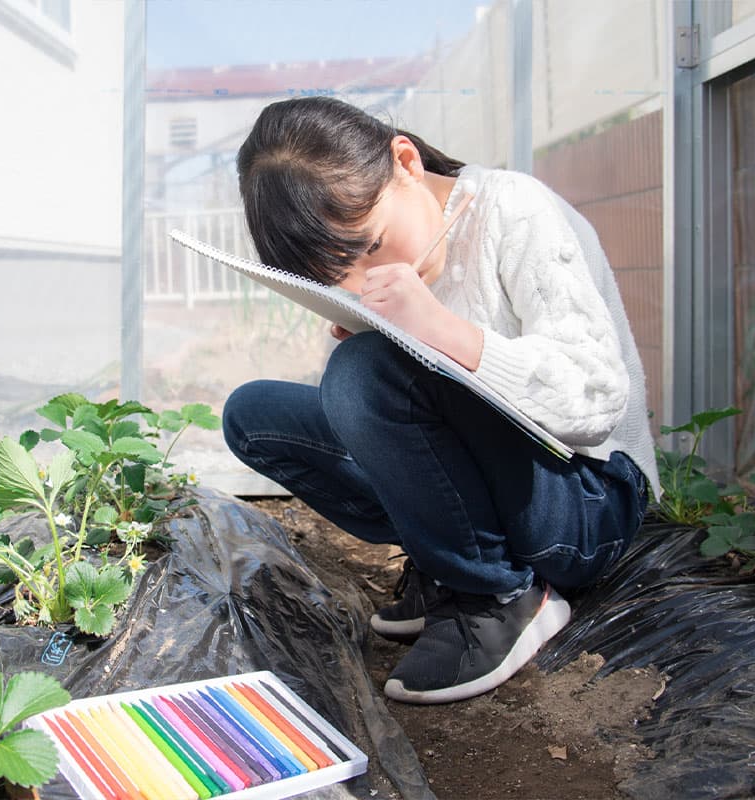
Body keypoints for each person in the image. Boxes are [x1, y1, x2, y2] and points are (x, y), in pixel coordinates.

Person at [223, 96, 659, 704]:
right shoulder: (389, 258)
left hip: (585, 500)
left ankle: (499, 595)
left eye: (370, 247)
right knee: (254, 415)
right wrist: (377, 336)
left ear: (404, 160)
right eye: (335, 277)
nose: (362, 278)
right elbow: (401, 417)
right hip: (501, 481)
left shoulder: (513, 208)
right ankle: (443, 561)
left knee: (363, 374)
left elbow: (595, 401)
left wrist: (437, 329)